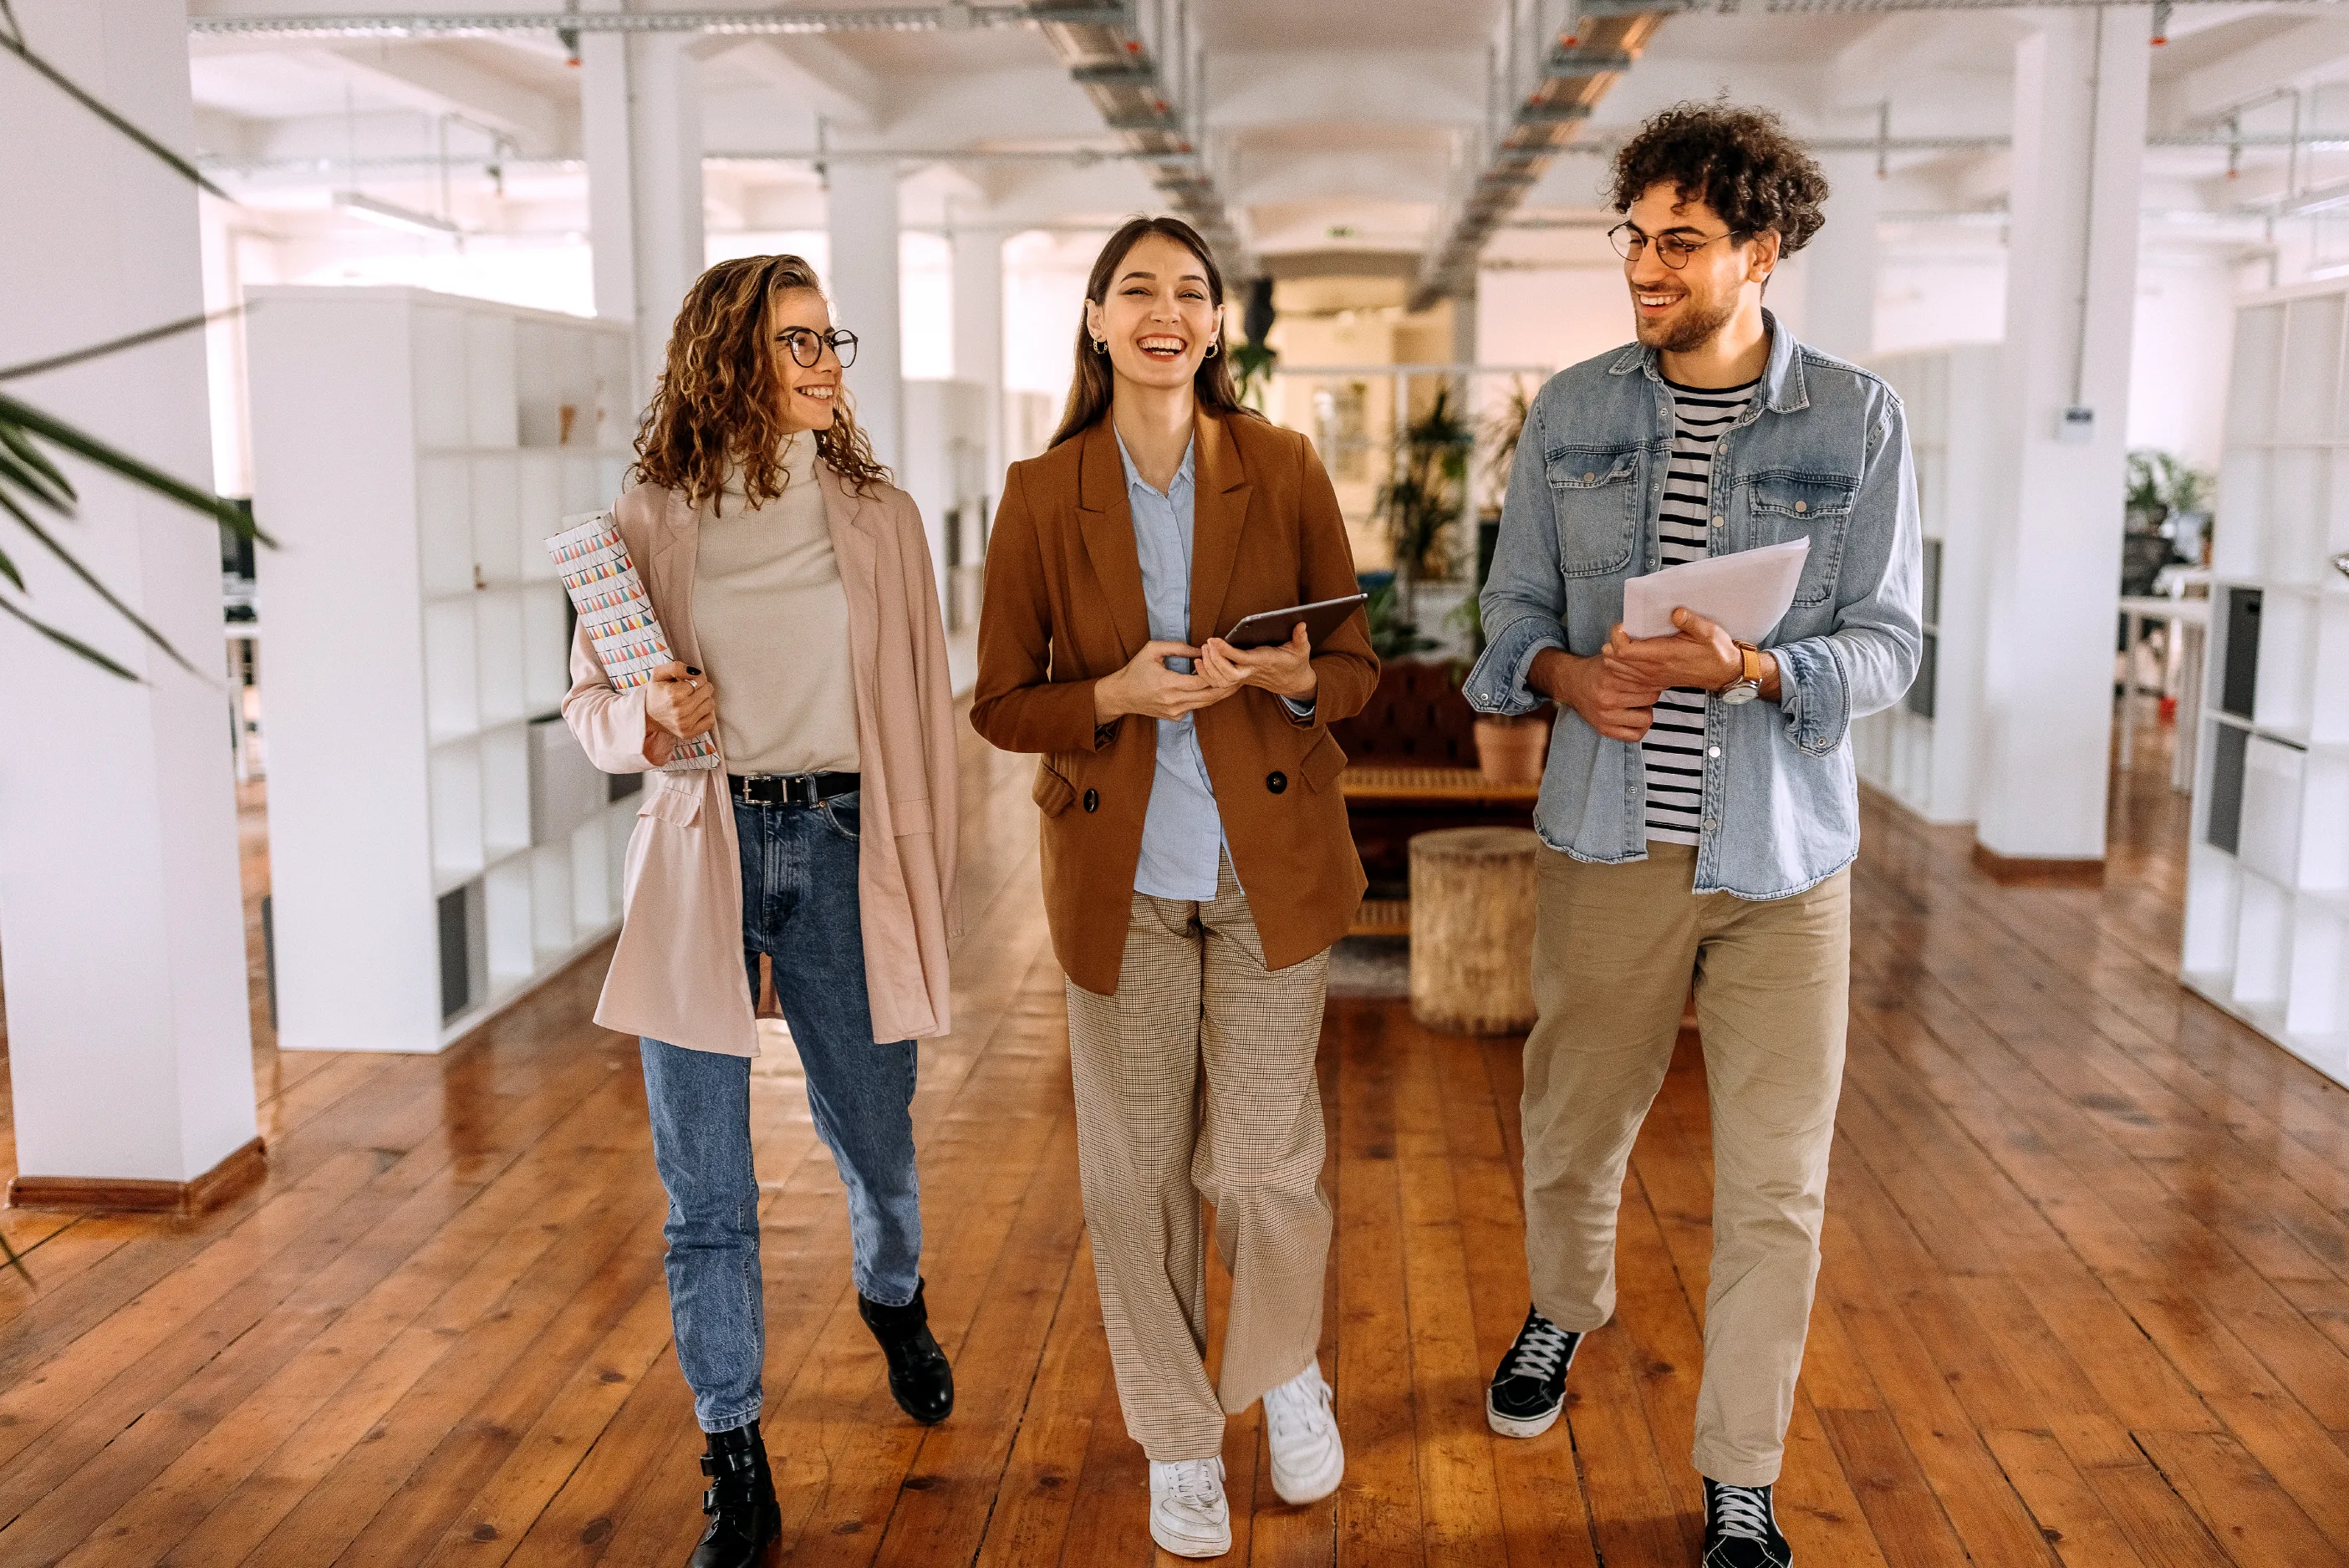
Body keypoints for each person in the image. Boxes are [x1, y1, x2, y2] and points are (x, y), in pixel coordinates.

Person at [1462, 104, 1922, 1568]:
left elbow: (1893, 646)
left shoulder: (1857, 421)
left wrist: (1766, 672)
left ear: (1762, 254)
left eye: (1681, 242)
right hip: (1608, 848)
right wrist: (1562, 674)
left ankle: (1741, 1479)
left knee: (1777, 1184)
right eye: (1635, 238)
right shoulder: (1574, 414)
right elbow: (1508, 617)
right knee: (1572, 1127)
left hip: (1785, 869)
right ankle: (1563, 1309)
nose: (1646, 269)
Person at [971, 215, 1378, 1560]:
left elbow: (1356, 667)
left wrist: (1284, 675)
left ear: (1217, 325)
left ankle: (1285, 1372)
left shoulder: (1286, 464)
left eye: (1190, 293)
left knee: (1262, 1159)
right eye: (1135, 290)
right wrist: (1114, 694)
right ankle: (1181, 1442)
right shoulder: (1042, 492)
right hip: (1121, 876)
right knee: (1134, 1174)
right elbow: (1001, 705)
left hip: (1270, 868)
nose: (1165, 312)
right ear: (1094, 320)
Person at [562, 254, 962, 1568]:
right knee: (705, 1191)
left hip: (847, 845)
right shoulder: (650, 515)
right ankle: (732, 1448)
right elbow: (593, 712)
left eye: (829, 337)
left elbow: (919, 712)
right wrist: (647, 717)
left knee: (878, 1141)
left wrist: (930, 869)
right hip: (703, 848)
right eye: (798, 342)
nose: (827, 361)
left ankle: (892, 1295)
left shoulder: (882, 516)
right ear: (729, 357)